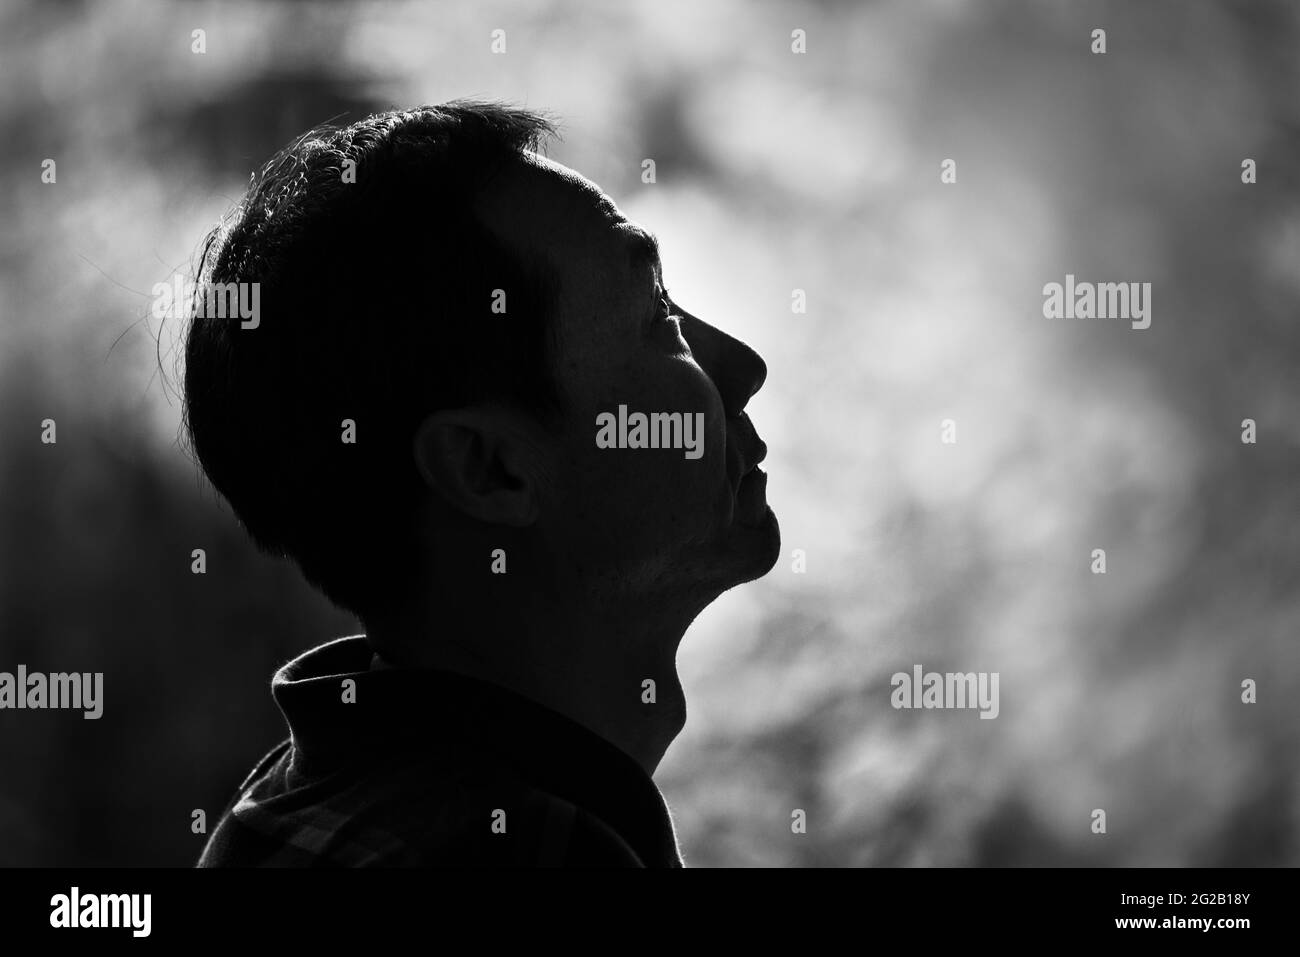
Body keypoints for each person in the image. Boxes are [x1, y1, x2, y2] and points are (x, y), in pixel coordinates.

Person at [187, 101, 779, 867]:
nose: (742, 365)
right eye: (657, 317)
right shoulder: (527, 854)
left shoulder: (283, 811)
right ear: (488, 468)